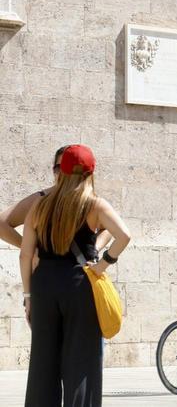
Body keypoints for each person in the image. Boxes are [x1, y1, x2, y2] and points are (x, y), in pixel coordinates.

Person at [20, 144, 132, 406]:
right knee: (81, 364)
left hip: (44, 284)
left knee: (42, 366)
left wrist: (28, 296)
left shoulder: (39, 205)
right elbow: (124, 235)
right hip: (79, 285)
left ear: (61, 170)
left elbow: (25, 255)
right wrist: (103, 265)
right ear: (90, 173)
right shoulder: (94, 204)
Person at [2, 146, 68, 249]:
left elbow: (103, 227)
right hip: (45, 264)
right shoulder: (40, 199)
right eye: (59, 168)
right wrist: (29, 248)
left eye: (69, 168)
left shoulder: (91, 201)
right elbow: (2, 224)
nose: (64, 173)